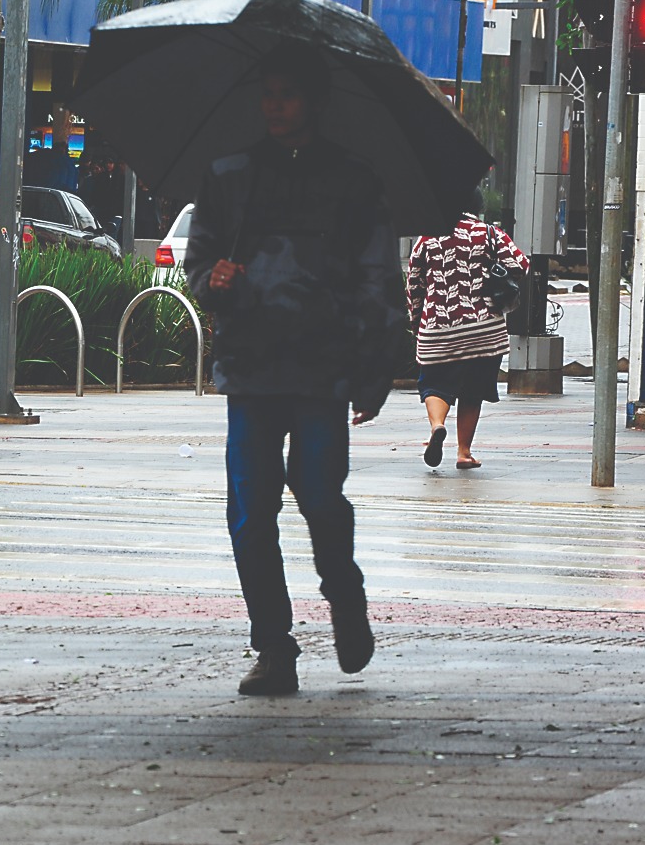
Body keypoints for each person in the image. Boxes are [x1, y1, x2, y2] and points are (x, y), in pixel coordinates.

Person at [185, 44, 407, 697]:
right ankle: (273, 646)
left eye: (287, 93)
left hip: (321, 371)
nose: (274, 105)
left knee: (320, 497)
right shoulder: (229, 176)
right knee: (249, 514)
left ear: (314, 101)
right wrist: (213, 279)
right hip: (250, 370)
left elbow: (379, 279)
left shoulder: (353, 182)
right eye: (268, 93)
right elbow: (198, 264)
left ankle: (343, 590)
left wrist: (375, 369)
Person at [406, 200, 530, 469]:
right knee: (473, 391)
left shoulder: (427, 239)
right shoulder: (489, 233)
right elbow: (521, 265)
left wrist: (418, 323)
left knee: (434, 383)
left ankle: (437, 426)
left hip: (438, 329)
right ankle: (464, 453)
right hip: (484, 331)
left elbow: (414, 284)